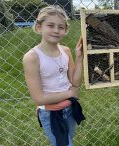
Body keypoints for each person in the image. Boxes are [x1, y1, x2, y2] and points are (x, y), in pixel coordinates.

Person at [23, 5, 85, 146]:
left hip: (69, 109)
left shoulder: (66, 51)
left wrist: (79, 58)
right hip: (51, 114)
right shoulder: (32, 57)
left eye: (61, 27)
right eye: (50, 25)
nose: (56, 30)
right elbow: (39, 99)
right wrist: (70, 93)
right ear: (39, 27)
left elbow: (75, 83)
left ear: (65, 30)